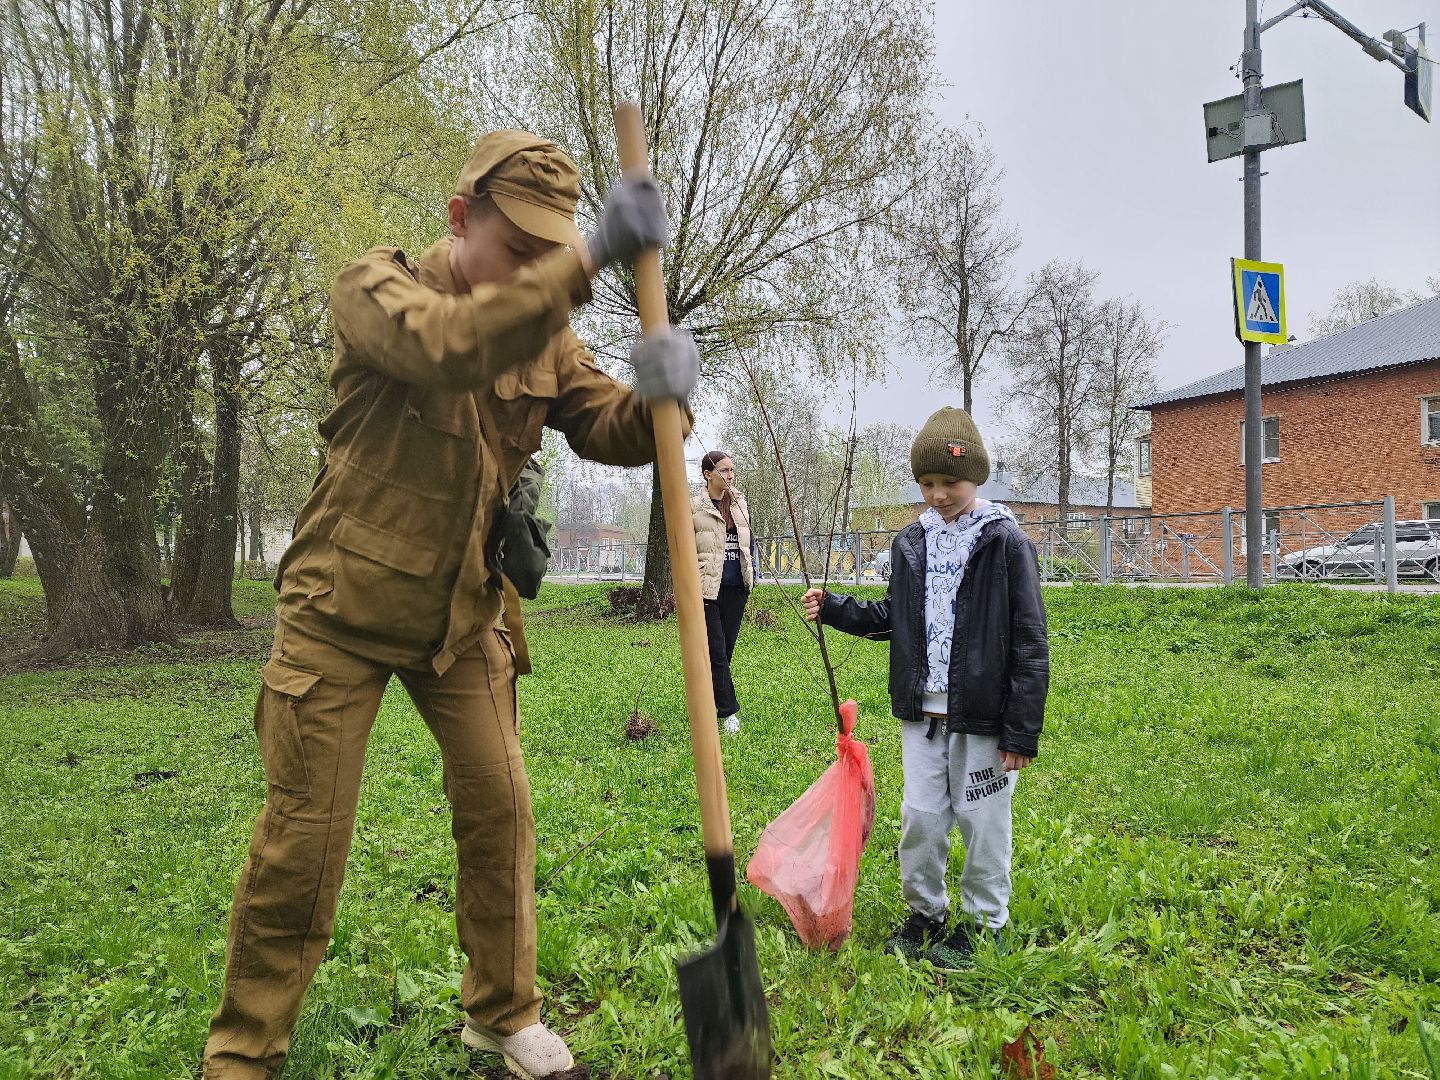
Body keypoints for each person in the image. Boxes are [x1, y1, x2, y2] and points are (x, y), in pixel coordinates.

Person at [203, 130, 699, 1080]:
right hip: (339, 610)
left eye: (550, 252)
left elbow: (601, 421)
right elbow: (449, 349)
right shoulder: (375, 292)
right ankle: (242, 1052)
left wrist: (657, 400)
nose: (538, 269)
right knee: (301, 845)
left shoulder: (547, 328)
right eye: (520, 248)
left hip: (459, 614)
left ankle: (502, 1016)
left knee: (499, 808)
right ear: (460, 217)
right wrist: (592, 256)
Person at [800, 407, 1048, 970]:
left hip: (982, 718)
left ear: (976, 478)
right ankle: (925, 913)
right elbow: (899, 615)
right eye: (927, 483)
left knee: (982, 821)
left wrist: (1021, 731)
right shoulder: (913, 541)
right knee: (921, 817)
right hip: (922, 714)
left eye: (950, 483)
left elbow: (1029, 641)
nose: (937, 495)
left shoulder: (1005, 543)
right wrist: (836, 609)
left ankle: (986, 923)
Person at [692, 450, 755, 734]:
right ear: (708, 474)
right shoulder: (694, 506)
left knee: (724, 653)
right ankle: (729, 714)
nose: (730, 476)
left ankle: (705, 702)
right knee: (716, 652)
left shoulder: (740, 503)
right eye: (724, 470)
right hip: (707, 590)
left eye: (732, 470)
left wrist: (751, 577)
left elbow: (748, 544)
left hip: (735, 588)